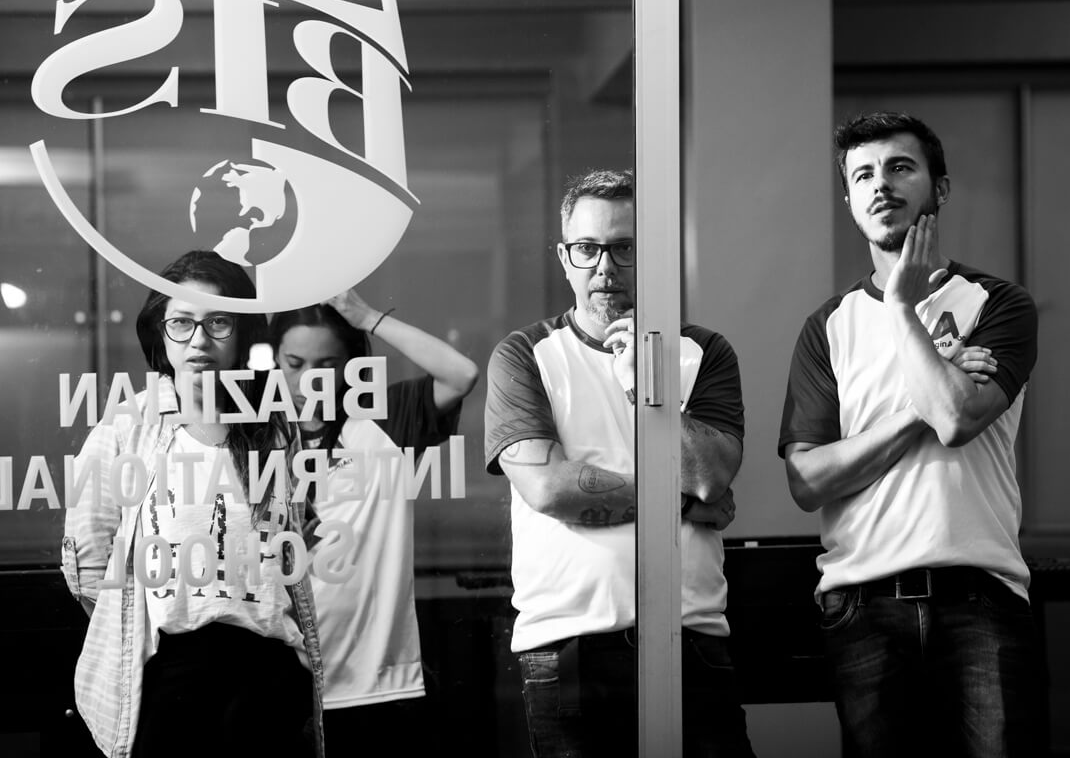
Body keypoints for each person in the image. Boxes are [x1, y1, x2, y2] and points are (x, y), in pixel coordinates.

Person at [777, 111, 1048, 757]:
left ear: (940, 188)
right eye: (863, 175)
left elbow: (956, 419)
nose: (881, 184)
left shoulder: (998, 304)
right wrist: (917, 405)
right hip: (862, 608)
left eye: (900, 167)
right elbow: (807, 482)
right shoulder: (828, 326)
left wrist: (901, 306)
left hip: (981, 598)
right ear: (849, 200)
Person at [483, 168, 756, 757]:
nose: (604, 267)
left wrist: (643, 385)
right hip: (569, 645)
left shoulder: (703, 352)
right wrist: (681, 503)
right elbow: (549, 490)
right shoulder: (524, 355)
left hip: (690, 639)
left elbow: (711, 474)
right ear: (565, 258)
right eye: (587, 248)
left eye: (624, 248)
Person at [61, 250, 324, 758]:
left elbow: (292, 539)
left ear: (242, 333)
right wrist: (132, 625)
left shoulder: (273, 427)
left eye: (219, 321)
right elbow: (87, 563)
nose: (199, 340)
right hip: (171, 671)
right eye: (182, 323)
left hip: (270, 671)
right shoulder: (127, 427)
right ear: (160, 332)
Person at [268, 289, 477, 756]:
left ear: (350, 365)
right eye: (294, 363)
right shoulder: (256, 435)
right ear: (275, 360)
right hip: (283, 680)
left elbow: (461, 374)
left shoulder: (383, 419)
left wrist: (366, 316)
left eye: (326, 364)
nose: (308, 380)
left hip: (376, 682)